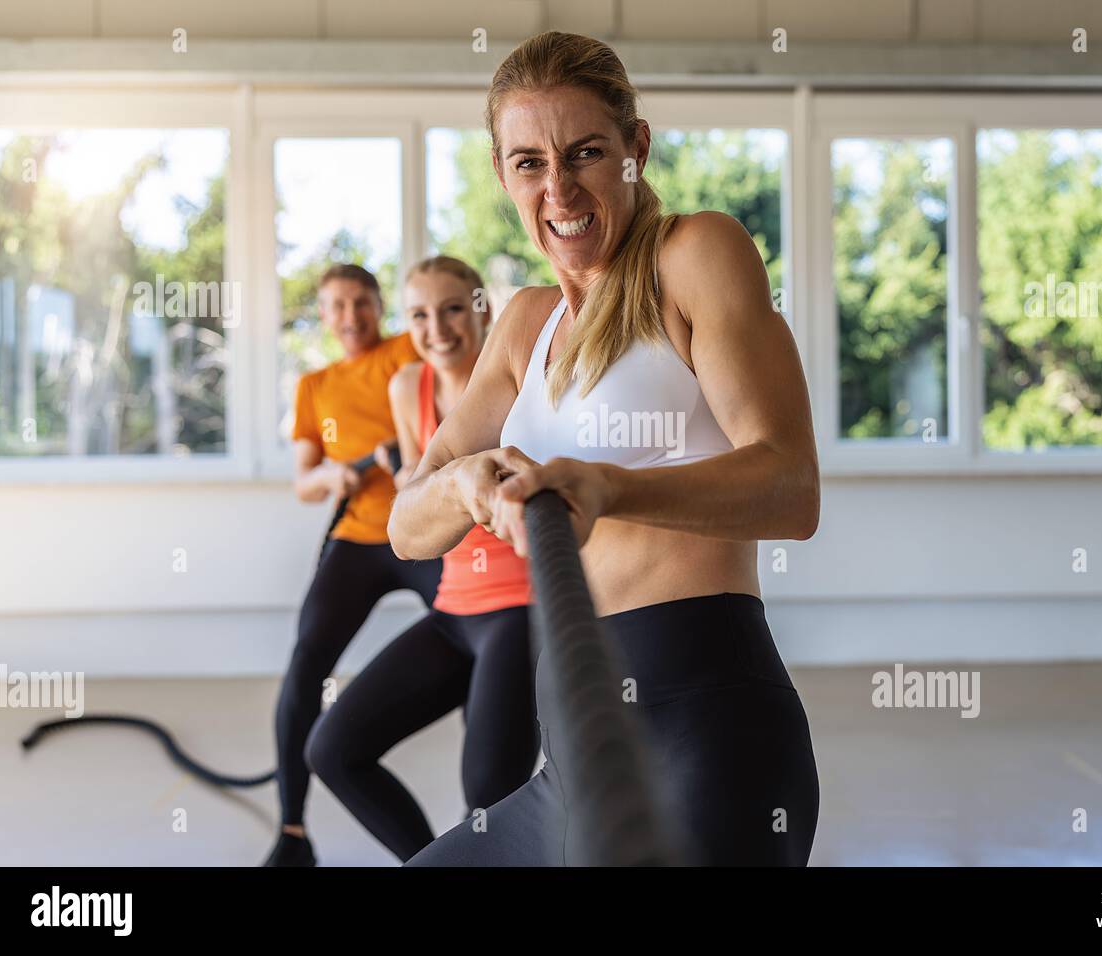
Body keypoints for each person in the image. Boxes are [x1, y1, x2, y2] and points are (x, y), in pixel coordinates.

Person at [389, 31, 821, 866]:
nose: (559, 187)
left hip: (711, 736)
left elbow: (791, 486)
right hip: (573, 758)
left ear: (637, 148)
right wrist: (466, 485)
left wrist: (609, 487)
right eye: (528, 163)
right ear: (502, 174)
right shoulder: (522, 324)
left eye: (585, 152)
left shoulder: (697, 255)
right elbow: (410, 525)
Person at [305, 257, 537, 862]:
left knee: (488, 804)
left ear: (481, 307)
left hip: (520, 610)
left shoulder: (524, 383)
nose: (437, 327)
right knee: (332, 749)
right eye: (419, 314)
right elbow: (416, 504)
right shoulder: (410, 388)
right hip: (453, 607)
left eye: (453, 308)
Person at [264, 263, 442, 867]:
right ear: (323, 313)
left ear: (378, 304)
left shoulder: (405, 348)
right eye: (337, 305)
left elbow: (449, 379)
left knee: (482, 634)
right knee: (307, 658)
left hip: (422, 531)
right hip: (358, 535)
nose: (350, 316)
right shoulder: (314, 387)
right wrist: (332, 475)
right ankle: (292, 833)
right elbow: (303, 480)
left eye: (362, 303)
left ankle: (497, 816)